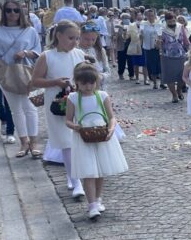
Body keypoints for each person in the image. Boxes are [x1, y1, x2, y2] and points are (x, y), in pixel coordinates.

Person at [64, 63, 128, 220]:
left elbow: (111, 116)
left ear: (96, 82)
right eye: (84, 83)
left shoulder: (102, 96)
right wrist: (76, 127)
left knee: (100, 170)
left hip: (101, 136)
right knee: (89, 171)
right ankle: (91, 204)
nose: (88, 86)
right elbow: (68, 120)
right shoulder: (73, 98)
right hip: (83, 137)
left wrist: (112, 129)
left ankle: (98, 199)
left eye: (91, 83)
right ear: (77, 82)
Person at [31, 20, 87, 197]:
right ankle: (76, 181)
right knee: (66, 142)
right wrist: (55, 82)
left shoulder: (79, 54)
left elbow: (84, 75)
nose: (75, 42)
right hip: (57, 102)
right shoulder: (47, 56)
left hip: (77, 100)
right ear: (58, 35)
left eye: (77, 38)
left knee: (77, 140)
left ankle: (74, 177)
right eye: (71, 38)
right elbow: (35, 81)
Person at [0, 0, 42, 157]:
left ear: (21, 12)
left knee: (30, 107)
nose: (12, 13)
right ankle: (23, 142)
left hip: (27, 70)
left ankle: (34, 142)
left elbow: (38, 50)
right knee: (16, 110)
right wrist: (2, 66)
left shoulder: (29, 30)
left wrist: (26, 52)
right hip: (6, 72)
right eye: (9, 10)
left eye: (16, 10)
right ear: (4, 12)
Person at [0, 1, 16, 145]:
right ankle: (2, 119)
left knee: (9, 101)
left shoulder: (5, 29)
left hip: (7, 69)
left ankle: (10, 130)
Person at [158, 13, 190, 103]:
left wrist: (189, 49)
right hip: (167, 55)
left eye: (173, 20)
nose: (172, 22)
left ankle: (179, 90)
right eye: (169, 21)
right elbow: (158, 43)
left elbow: (185, 40)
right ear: (166, 21)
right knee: (169, 77)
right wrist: (158, 43)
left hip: (181, 54)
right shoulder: (162, 29)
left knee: (182, 76)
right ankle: (174, 95)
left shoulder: (180, 27)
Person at [77, 23, 111, 88]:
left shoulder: (100, 50)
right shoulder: (75, 51)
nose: (90, 42)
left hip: (99, 88)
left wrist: (101, 76)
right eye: (86, 39)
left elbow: (107, 71)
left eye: (93, 39)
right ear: (79, 36)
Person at [140, 9, 163, 88]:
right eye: (149, 16)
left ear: (155, 15)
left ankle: (162, 82)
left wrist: (159, 42)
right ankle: (155, 83)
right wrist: (141, 34)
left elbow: (160, 34)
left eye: (152, 15)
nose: (150, 17)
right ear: (146, 16)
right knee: (151, 65)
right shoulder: (143, 24)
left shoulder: (159, 24)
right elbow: (141, 32)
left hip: (158, 47)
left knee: (160, 64)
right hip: (148, 47)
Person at [115, 13, 134, 80]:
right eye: (125, 18)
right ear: (122, 19)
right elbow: (115, 36)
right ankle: (121, 74)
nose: (126, 19)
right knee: (121, 61)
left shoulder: (132, 25)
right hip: (121, 46)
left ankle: (131, 75)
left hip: (130, 46)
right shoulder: (117, 26)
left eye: (128, 18)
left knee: (131, 61)